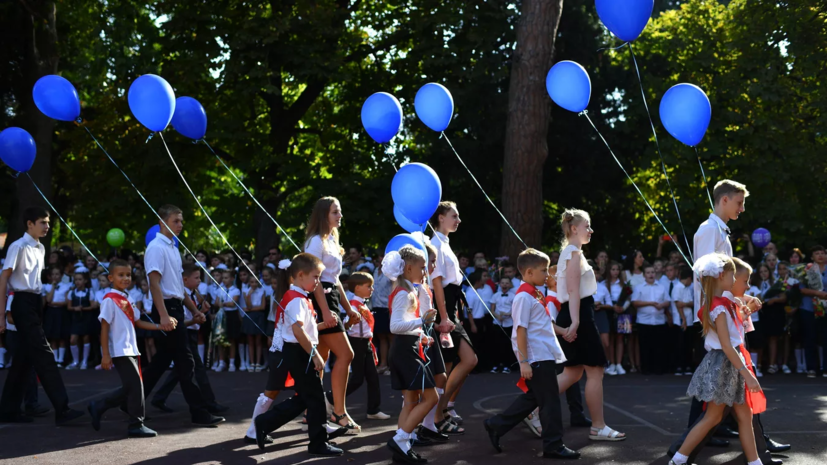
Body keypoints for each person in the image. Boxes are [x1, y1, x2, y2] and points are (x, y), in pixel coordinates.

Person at [669, 179, 785, 463]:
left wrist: (741, 302)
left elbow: (725, 283)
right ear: (723, 200)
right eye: (739, 202)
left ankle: (751, 448)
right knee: (712, 401)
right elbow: (708, 277)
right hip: (716, 316)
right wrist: (722, 309)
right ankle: (685, 449)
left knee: (718, 403)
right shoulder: (710, 230)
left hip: (724, 312)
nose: (742, 208)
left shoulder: (719, 230)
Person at [668, 253, 764, 465]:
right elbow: (727, 346)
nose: (744, 284)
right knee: (713, 417)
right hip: (725, 364)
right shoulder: (719, 307)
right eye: (735, 277)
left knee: (744, 417)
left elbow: (740, 306)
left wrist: (748, 306)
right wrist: (748, 375)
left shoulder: (724, 301)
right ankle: (678, 459)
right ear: (722, 276)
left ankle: (755, 462)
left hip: (732, 363)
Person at [483, 248, 579, 460]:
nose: (547, 274)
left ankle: (496, 425)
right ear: (528, 272)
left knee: (534, 398)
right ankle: (553, 445)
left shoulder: (534, 293)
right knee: (550, 402)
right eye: (543, 270)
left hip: (543, 354)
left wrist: (564, 332)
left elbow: (543, 323)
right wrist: (524, 362)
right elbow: (520, 330)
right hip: (536, 357)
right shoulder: (524, 297)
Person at [253, 253, 346, 456]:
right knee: (314, 399)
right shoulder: (296, 299)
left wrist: (326, 325)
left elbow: (305, 328)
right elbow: (297, 331)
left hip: (299, 351)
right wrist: (314, 354)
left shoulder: (299, 297)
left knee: (308, 398)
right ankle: (317, 443)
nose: (318, 282)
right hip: (300, 353)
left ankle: (266, 422)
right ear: (300, 275)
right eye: (315, 277)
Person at [141, 204, 224, 427]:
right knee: (187, 362)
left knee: (159, 365)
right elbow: (155, 284)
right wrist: (164, 315)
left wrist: (195, 310)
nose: (180, 225)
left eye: (181, 220)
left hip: (175, 307)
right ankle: (200, 413)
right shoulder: (156, 247)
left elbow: (178, 286)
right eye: (176, 220)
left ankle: (124, 403)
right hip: (166, 309)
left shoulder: (173, 248)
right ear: (163, 221)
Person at [0, 207, 84, 425]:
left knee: (24, 358)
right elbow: (4, 279)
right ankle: (62, 409)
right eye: (43, 222)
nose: (47, 226)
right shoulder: (17, 246)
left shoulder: (40, 248)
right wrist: (1, 314)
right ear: (29, 224)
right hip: (21, 302)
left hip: (36, 302)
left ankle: (8, 409)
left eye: (47, 222)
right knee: (45, 353)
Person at [555, 209, 626, 442]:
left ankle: (533, 409)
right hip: (579, 314)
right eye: (587, 226)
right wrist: (576, 322)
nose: (591, 230)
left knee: (573, 372)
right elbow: (574, 290)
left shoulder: (571, 252)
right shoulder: (573, 253)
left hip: (576, 312)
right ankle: (598, 426)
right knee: (595, 370)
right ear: (574, 228)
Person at [87, 259, 172, 437]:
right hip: (119, 350)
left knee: (131, 386)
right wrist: (105, 354)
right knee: (135, 386)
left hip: (131, 348)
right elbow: (104, 327)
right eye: (121, 275)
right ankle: (135, 424)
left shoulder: (128, 298)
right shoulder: (109, 300)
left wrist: (159, 326)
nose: (125, 278)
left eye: (128, 275)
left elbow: (138, 322)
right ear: (111, 277)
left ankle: (100, 406)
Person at [303, 197, 360, 432]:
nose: (340, 216)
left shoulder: (332, 240)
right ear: (323, 214)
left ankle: (311, 411)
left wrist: (348, 308)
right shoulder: (315, 241)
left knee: (321, 361)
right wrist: (326, 313)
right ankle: (338, 412)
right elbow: (314, 281)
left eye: (340, 211)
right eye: (335, 212)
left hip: (331, 300)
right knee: (346, 355)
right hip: (320, 302)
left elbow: (335, 280)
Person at [382, 246, 439, 464]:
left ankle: (402, 448)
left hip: (408, 347)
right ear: (408, 268)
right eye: (422, 268)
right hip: (406, 352)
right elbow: (395, 325)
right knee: (431, 397)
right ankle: (401, 438)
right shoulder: (404, 294)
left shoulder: (407, 291)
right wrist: (421, 322)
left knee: (411, 400)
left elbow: (403, 325)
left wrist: (420, 335)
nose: (425, 272)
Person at [150, 264, 227, 415]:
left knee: (180, 370)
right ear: (185, 280)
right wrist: (195, 320)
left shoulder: (192, 295)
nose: (199, 281)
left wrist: (201, 311)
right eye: (196, 278)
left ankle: (159, 397)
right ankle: (208, 403)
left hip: (190, 333)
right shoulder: (179, 297)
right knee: (197, 368)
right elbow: (180, 323)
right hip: (184, 334)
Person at [429, 201, 478, 430]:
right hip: (444, 309)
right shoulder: (434, 244)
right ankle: (437, 416)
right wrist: (444, 316)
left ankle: (443, 408)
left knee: (469, 360)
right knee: (446, 366)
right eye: (454, 216)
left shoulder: (445, 243)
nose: (458, 220)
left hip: (452, 307)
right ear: (440, 217)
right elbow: (437, 283)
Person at [325, 271, 390, 421]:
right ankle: (330, 398)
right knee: (357, 379)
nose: (372, 289)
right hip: (357, 343)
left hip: (365, 342)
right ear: (358, 288)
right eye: (369, 286)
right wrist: (349, 323)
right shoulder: (353, 305)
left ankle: (373, 409)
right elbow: (346, 324)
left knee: (373, 378)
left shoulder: (361, 304)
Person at [631, 263, 670, 375]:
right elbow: (635, 302)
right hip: (644, 321)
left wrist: (661, 305)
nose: (651, 274)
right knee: (645, 346)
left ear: (655, 274)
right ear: (644, 275)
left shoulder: (662, 287)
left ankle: (657, 369)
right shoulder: (639, 288)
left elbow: (667, 301)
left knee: (658, 346)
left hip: (659, 321)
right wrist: (651, 303)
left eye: (652, 272)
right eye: (648, 272)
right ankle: (646, 369)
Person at [602, 261, 630, 376]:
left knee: (620, 337)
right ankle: (611, 363)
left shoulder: (624, 284)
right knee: (611, 337)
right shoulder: (604, 284)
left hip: (622, 310)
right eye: (613, 269)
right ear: (609, 271)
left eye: (617, 270)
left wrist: (622, 308)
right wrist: (612, 307)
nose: (615, 272)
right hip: (609, 311)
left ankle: (619, 363)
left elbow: (629, 298)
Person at [66, 271, 95, 370]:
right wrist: (75, 308)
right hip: (76, 318)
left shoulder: (89, 292)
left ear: (85, 281)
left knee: (85, 338)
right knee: (73, 339)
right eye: (76, 280)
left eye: (80, 279)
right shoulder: (72, 292)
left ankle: (84, 361)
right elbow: (69, 306)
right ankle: (75, 361)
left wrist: (83, 308)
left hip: (86, 318)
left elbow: (92, 306)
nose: (77, 282)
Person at [466, 269, 494, 371]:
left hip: (480, 320)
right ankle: (475, 368)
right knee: (475, 344)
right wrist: (472, 324)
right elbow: (469, 311)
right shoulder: (470, 293)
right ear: (477, 281)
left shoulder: (476, 291)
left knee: (481, 343)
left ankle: (481, 366)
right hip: (474, 320)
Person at [670, 266, 696, 376]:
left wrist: (685, 304)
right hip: (681, 320)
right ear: (689, 278)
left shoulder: (686, 288)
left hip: (689, 320)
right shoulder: (678, 287)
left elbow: (690, 303)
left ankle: (687, 365)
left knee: (687, 344)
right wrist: (683, 320)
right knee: (680, 344)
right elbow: (678, 305)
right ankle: (679, 366)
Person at [43, 267, 70, 367]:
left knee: (61, 336)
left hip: (61, 312)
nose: (55, 276)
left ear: (61, 275)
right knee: (53, 336)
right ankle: (55, 359)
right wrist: (53, 287)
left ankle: (61, 359)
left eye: (57, 274)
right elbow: (48, 300)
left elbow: (66, 302)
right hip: (51, 313)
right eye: (53, 274)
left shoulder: (66, 286)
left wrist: (54, 303)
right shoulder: (47, 287)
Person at [371, 254, 393, 375]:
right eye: (378, 259)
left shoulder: (390, 273)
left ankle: (393, 365)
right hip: (376, 307)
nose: (379, 260)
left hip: (387, 307)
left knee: (391, 337)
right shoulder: (375, 271)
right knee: (381, 337)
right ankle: (383, 364)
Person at [490, 277, 516, 374]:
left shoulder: (513, 296)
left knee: (507, 345)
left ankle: (507, 365)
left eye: (506, 283)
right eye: (503, 283)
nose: (504, 285)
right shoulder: (495, 296)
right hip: (497, 323)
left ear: (510, 285)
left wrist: (507, 315)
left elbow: (515, 310)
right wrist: (497, 316)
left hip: (509, 324)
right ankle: (496, 365)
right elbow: (492, 310)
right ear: (499, 284)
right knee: (497, 345)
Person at [242, 274, 267, 372]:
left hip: (259, 316)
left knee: (258, 341)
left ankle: (258, 363)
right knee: (250, 340)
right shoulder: (245, 291)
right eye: (252, 282)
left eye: (256, 282)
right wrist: (249, 295)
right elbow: (248, 306)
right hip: (250, 316)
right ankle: (252, 362)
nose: (254, 284)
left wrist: (251, 309)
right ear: (249, 282)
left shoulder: (262, 291)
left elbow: (262, 307)